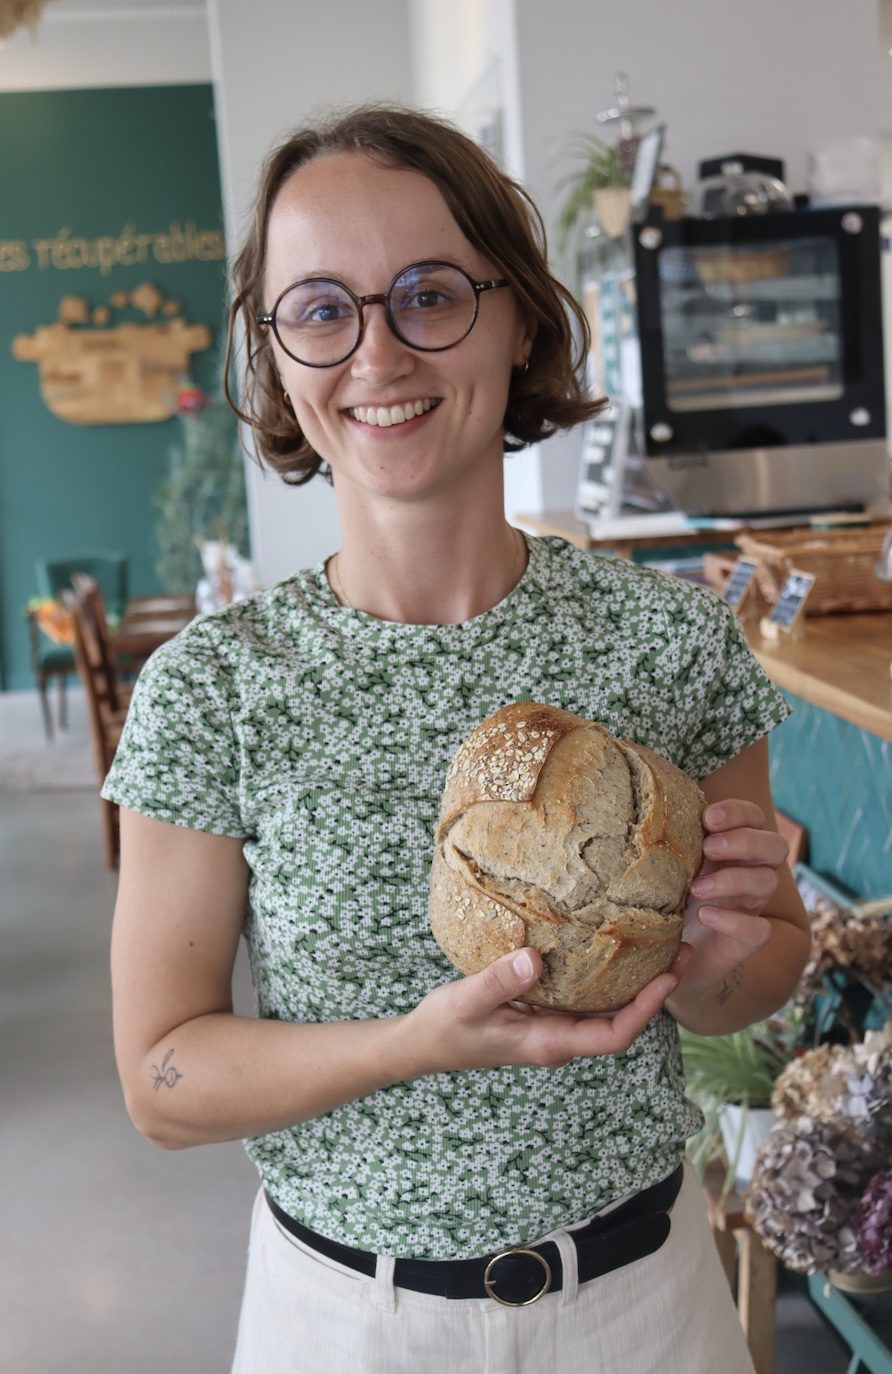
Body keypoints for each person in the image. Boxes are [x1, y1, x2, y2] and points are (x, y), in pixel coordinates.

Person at [103, 104, 811, 1374]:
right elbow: (161, 1080)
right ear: (276, 355)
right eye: (320, 310)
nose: (377, 354)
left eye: (430, 295)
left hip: (643, 1307)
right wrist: (415, 1045)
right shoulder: (214, 688)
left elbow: (757, 978)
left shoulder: (666, 639)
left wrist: (719, 956)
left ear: (519, 318)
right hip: (343, 1323)